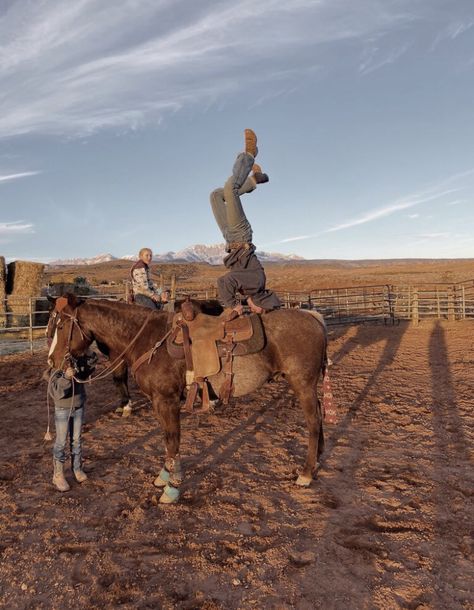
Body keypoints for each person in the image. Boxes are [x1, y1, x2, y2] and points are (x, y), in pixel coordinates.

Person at [210, 129, 281, 316]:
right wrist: (234, 305)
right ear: (261, 303)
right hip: (240, 235)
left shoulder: (250, 288)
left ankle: (254, 180)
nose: (255, 311)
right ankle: (250, 154)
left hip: (230, 239)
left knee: (216, 196)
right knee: (230, 188)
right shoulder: (256, 283)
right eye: (258, 310)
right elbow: (224, 282)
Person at [49, 351, 97, 492]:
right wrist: (66, 377)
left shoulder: (78, 358)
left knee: (76, 440)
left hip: (78, 405)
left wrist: (89, 355)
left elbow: (89, 368)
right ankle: (58, 475)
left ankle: (77, 468)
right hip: (62, 408)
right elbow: (56, 391)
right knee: (61, 441)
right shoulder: (56, 362)